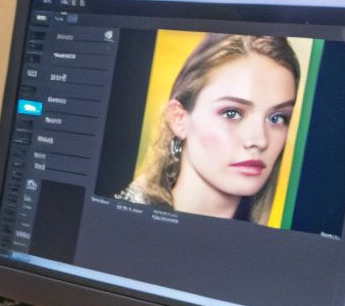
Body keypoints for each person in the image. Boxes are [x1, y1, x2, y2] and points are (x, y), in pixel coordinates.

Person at [115, 33, 300, 224]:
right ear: (179, 119)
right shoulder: (122, 221)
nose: (260, 140)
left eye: (277, 118)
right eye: (232, 113)